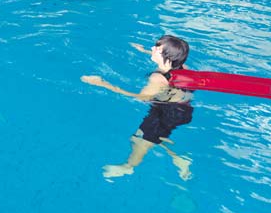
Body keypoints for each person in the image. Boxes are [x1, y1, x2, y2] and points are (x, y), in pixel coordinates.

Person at [81, 35, 194, 180]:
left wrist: (103, 84)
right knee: (157, 135)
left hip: (166, 111)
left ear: (166, 57)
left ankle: (128, 167)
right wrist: (144, 51)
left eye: (157, 48)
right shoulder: (184, 68)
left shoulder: (157, 79)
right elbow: (172, 60)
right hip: (184, 109)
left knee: (140, 139)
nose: (152, 48)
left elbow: (141, 98)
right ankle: (178, 158)